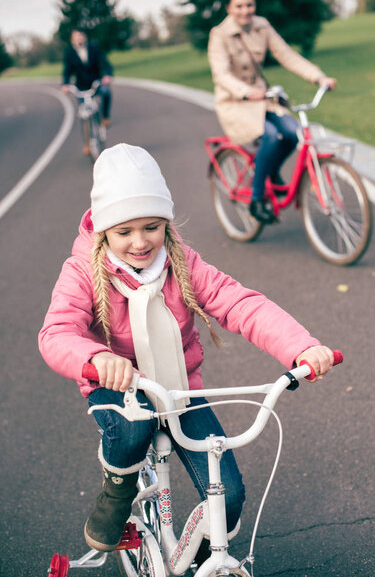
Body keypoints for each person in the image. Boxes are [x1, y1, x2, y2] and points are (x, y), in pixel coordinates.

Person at [38, 143, 334, 562]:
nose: (140, 242)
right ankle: (118, 488)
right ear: (103, 230)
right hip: (117, 386)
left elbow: (239, 304)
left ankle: (197, 559)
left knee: (228, 493)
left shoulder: (181, 261)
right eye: (124, 231)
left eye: (152, 227)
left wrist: (301, 347)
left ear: (166, 222)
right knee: (133, 430)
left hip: (179, 388)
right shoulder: (83, 270)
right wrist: (96, 359)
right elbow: (56, 332)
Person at [208, 0, 336, 222]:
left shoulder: (262, 25)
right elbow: (221, 74)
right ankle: (257, 198)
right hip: (235, 101)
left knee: (292, 133)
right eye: (239, 6)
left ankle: (270, 169)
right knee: (269, 135)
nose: (245, 11)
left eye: (249, 5)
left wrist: (318, 77)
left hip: (263, 99)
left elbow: (286, 55)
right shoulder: (219, 34)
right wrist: (247, 92)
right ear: (229, 8)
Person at [61, 29, 113, 153]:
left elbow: (105, 63)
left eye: (81, 35)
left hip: (96, 82)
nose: (79, 38)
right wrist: (65, 84)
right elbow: (67, 71)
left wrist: (107, 75)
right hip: (81, 86)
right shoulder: (70, 53)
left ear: (84, 37)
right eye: (76, 37)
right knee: (83, 114)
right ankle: (87, 143)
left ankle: (105, 117)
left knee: (106, 92)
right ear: (72, 40)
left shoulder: (94, 48)